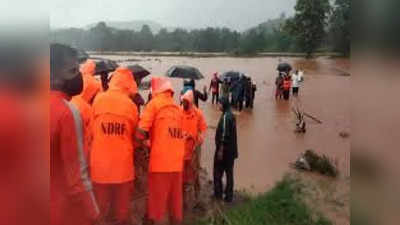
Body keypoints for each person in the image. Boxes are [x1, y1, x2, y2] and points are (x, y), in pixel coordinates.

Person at [50, 43, 99, 225]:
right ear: (52, 75)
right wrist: (94, 214)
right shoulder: (67, 112)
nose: (78, 76)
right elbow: (78, 177)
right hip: (59, 211)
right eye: (72, 71)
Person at [90, 67, 139, 225]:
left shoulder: (98, 99)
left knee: (100, 211)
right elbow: (135, 136)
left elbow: (91, 131)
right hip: (123, 169)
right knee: (122, 213)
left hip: (100, 168)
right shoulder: (131, 106)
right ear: (128, 85)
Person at [136, 77, 185, 225]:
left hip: (160, 164)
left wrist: (143, 142)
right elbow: (172, 135)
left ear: (155, 90)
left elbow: (140, 132)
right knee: (175, 201)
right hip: (177, 164)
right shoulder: (177, 109)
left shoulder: (154, 105)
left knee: (157, 202)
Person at [181, 90, 207, 210]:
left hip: (193, 151)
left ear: (191, 102)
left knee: (195, 174)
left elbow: (203, 131)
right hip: (181, 151)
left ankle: (197, 197)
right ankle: (183, 200)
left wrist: (194, 137)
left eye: (185, 102)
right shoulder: (178, 112)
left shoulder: (198, 114)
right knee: (182, 177)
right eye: (182, 101)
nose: (183, 103)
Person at [71, 60, 101, 163]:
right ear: (93, 70)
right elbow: (98, 100)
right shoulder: (96, 83)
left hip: (72, 104)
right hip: (86, 108)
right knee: (87, 135)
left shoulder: (78, 78)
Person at [213, 97, 238, 203]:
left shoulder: (225, 117)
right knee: (229, 173)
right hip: (231, 151)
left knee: (217, 172)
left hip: (224, 151)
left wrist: (220, 151)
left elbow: (224, 135)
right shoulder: (231, 115)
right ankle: (229, 196)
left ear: (223, 104)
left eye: (219, 103)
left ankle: (218, 194)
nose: (218, 106)